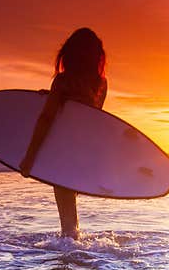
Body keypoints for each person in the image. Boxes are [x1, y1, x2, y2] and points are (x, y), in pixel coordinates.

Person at [19, 28, 108, 239]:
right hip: (84, 152)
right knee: (73, 219)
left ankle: (68, 257)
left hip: (63, 152)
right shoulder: (100, 84)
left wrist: (29, 158)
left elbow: (46, 119)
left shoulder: (63, 81)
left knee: (67, 224)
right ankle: (75, 254)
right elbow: (90, 117)